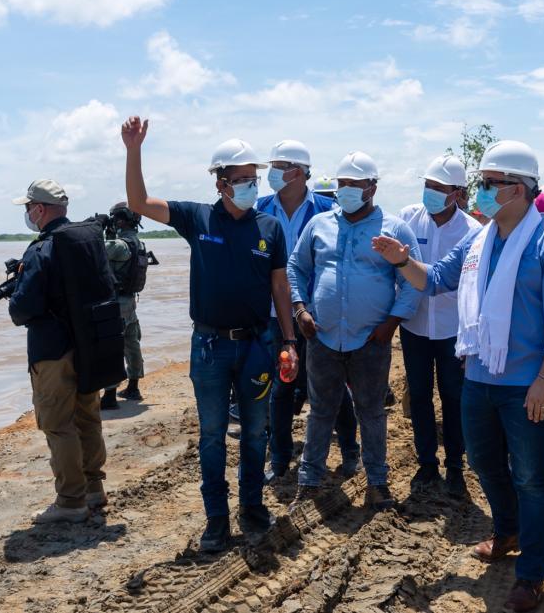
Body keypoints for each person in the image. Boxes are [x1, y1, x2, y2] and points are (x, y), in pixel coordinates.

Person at [373, 140, 544, 613]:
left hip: (527, 384)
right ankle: (507, 529)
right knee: (484, 464)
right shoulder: (479, 240)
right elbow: (433, 280)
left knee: (533, 478)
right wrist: (399, 259)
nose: (481, 191)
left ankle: (531, 575)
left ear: (517, 190)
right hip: (479, 376)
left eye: (489, 184)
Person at [121, 117, 298, 553]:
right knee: (213, 434)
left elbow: (280, 287)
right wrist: (133, 149)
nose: (249, 186)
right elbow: (140, 201)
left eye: (252, 180)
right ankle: (216, 520)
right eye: (240, 180)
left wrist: (290, 343)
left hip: (258, 346)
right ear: (220, 183)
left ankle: (252, 508)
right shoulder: (196, 218)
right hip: (210, 346)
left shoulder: (270, 228)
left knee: (256, 433)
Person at [289, 151, 421, 512]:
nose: (345, 190)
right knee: (320, 412)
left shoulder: (394, 229)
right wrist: (300, 310)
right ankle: (309, 482)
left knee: (372, 412)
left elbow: (412, 281)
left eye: (354, 184)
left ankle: (377, 483)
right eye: (341, 183)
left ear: (372, 187)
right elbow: (295, 268)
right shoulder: (319, 224)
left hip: (370, 340)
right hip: (323, 337)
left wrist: (391, 323)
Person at [8, 179, 122, 524]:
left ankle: (70, 501)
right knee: (87, 417)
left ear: (39, 209)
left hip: (53, 351)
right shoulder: (85, 240)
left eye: (28, 208)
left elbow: (22, 309)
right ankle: (93, 489)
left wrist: (16, 290)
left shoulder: (43, 248)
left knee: (58, 424)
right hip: (88, 345)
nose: (27, 215)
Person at [256, 140, 360, 483]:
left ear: (298, 172)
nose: (270, 173)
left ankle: (350, 451)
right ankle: (281, 458)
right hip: (272, 314)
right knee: (282, 386)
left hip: (317, 314)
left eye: (278, 165)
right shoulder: (260, 209)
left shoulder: (329, 211)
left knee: (330, 387)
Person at [398, 153, 481, 497]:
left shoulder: (473, 231)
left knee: (453, 396)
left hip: (452, 330)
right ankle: (427, 463)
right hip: (415, 325)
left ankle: (456, 466)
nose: (430, 192)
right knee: (419, 395)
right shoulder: (407, 220)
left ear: (457, 193)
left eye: (439, 188)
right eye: (427, 185)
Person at [103, 202, 148, 408]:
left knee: (112, 348)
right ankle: (133, 387)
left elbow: (94, 249)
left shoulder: (120, 245)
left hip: (117, 303)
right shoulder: (137, 243)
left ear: (120, 219)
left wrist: (101, 229)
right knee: (132, 344)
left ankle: (110, 395)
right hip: (130, 301)